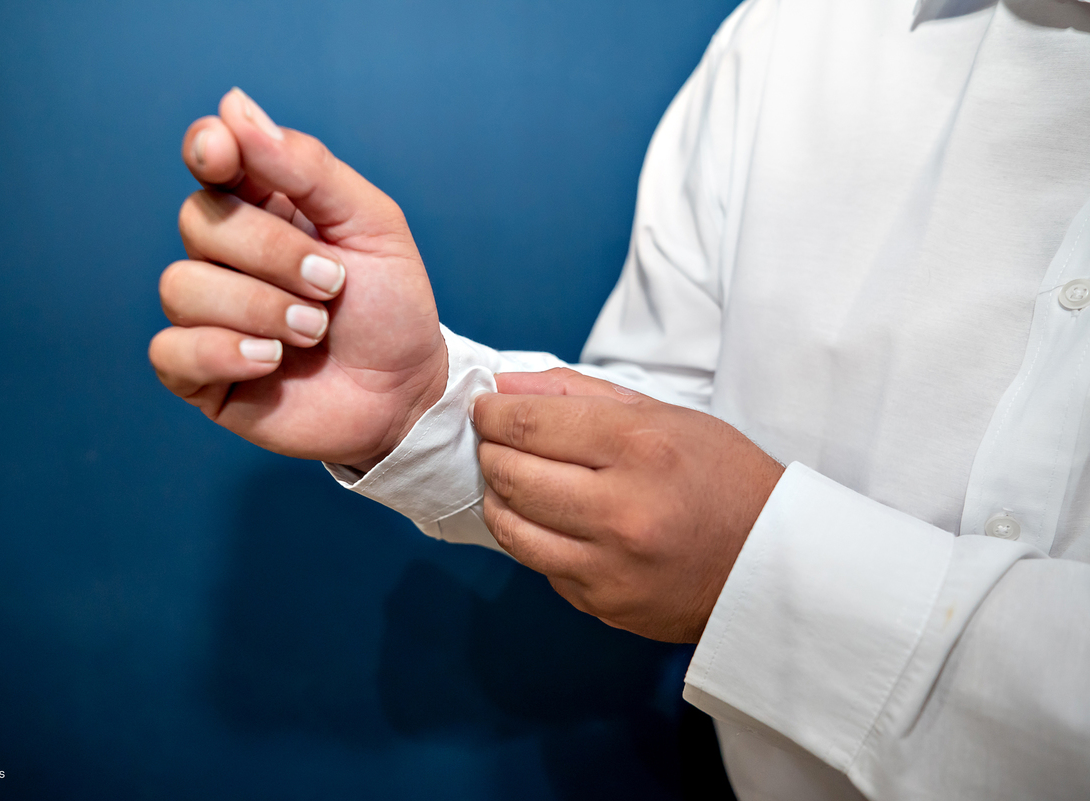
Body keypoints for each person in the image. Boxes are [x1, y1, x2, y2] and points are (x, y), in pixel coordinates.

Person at [148, 0, 1090, 798]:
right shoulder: (789, 37)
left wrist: (753, 563)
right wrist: (420, 407)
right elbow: (658, 441)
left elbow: (712, 526)